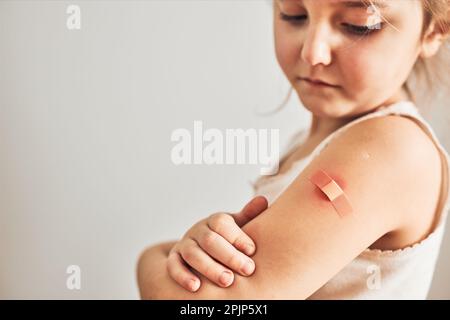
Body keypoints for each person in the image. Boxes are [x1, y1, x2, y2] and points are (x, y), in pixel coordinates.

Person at [137, 0, 450, 299]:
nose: (313, 52)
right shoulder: (306, 144)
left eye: (359, 25)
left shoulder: (390, 148)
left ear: (435, 29)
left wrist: (154, 258)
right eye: (294, 14)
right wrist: (194, 252)